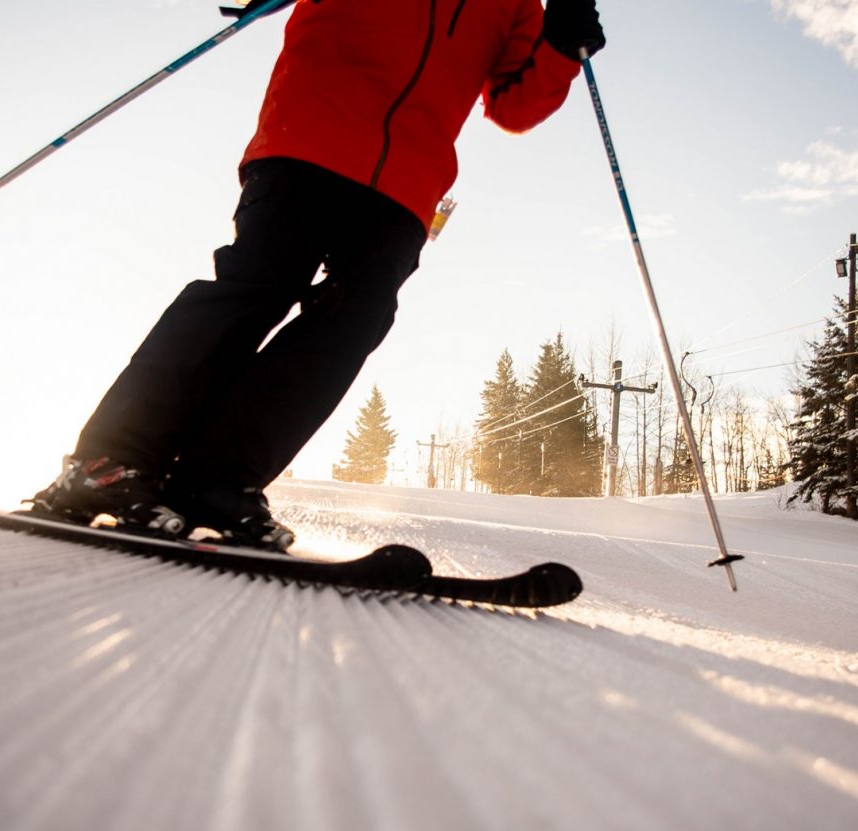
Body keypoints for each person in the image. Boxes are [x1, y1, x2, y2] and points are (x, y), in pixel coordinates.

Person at [30, 0, 606, 550]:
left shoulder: (515, 1)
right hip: (308, 140)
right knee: (254, 290)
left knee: (354, 322)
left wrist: (560, 46)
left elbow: (513, 108)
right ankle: (108, 462)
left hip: (405, 188)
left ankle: (217, 481)